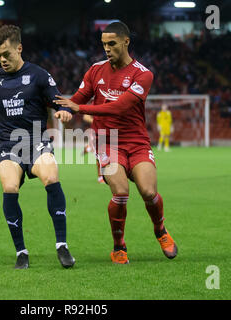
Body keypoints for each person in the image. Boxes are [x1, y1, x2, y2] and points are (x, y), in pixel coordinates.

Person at [54, 21, 178, 264]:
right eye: (103, 44)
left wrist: (80, 108)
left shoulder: (143, 74)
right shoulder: (95, 70)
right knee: (121, 192)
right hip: (107, 141)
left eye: (111, 44)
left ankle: (160, 231)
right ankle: (119, 246)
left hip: (137, 141)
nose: (107, 49)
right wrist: (68, 109)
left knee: (149, 192)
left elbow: (120, 106)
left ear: (126, 42)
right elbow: (78, 98)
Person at [0, 25, 75, 269]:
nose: (3, 59)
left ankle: (62, 246)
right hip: (7, 145)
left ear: (19, 48)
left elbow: (58, 100)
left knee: (50, 175)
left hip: (36, 141)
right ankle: (21, 252)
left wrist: (64, 111)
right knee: (10, 186)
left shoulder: (39, 75)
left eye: (7, 54)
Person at [81, 114, 105, 184]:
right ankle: (101, 177)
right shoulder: (95, 104)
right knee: (99, 156)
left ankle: (88, 148)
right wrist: (97, 123)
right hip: (96, 132)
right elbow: (85, 117)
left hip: (108, 131)